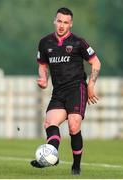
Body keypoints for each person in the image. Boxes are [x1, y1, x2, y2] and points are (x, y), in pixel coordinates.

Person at [30, 7, 101, 175]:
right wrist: (43, 78)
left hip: (77, 89)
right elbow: (42, 63)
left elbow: (96, 62)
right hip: (59, 92)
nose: (62, 25)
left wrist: (90, 85)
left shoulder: (78, 42)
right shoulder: (45, 42)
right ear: (54, 21)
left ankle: (76, 167)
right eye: (59, 21)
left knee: (73, 125)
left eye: (66, 22)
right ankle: (51, 157)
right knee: (49, 123)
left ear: (71, 24)